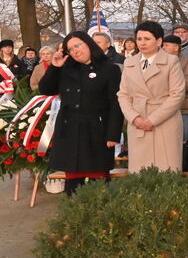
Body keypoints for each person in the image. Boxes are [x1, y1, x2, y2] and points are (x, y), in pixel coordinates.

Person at [39, 32, 124, 195]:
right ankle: (74, 213)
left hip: (96, 130)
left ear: (89, 44)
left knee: (99, 181)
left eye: (77, 45)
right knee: (73, 182)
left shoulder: (110, 69)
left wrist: (113, 134)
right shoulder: (65, 69)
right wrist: (54, 68)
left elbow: (115, 103)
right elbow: (46, 90)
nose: (75, 51)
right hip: (69, 129)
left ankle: (100, 216)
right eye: (70, 49)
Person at [118, 21, 186, 172]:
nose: (142, 43)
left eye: (147, 39)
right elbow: (123, 94)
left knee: (166, 169)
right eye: (139, 38)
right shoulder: (129, 62)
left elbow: (177, 94)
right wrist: (134, 117)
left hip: (165, 122)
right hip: (138, 122)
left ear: (159, 41)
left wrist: (152, 120)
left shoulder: (171, 61)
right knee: (140, 172)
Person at [162, 35, 188, 142]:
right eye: (163, 45)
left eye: (166, 45)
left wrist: (171, 91)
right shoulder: (159, 61)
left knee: (184, 138)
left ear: (176, 47)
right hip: (162, 105)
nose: (163, 48)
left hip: (182, 106)